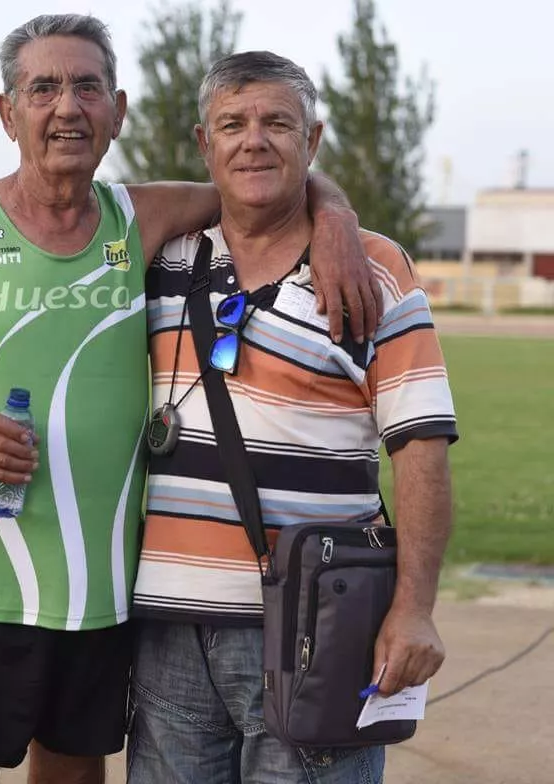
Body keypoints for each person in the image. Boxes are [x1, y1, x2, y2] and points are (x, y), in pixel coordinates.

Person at [0, 14, 380, 784]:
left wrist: (335, 218)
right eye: (44, 88)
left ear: (118, 110)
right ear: (8, 112)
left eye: (87, 86)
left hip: (102, 593)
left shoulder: (145, 216)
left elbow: (263, 172)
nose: (68, 106)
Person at [126, 51, 459, 783]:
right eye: (233, 124)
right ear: (202, 142)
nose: (255, 140)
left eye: (279, 123)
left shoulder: (373, 271)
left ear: (312, 142)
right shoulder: (159, 257)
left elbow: (423, 451)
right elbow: (52, 220)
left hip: (318, 626)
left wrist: (414, 610)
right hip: (167, 634)